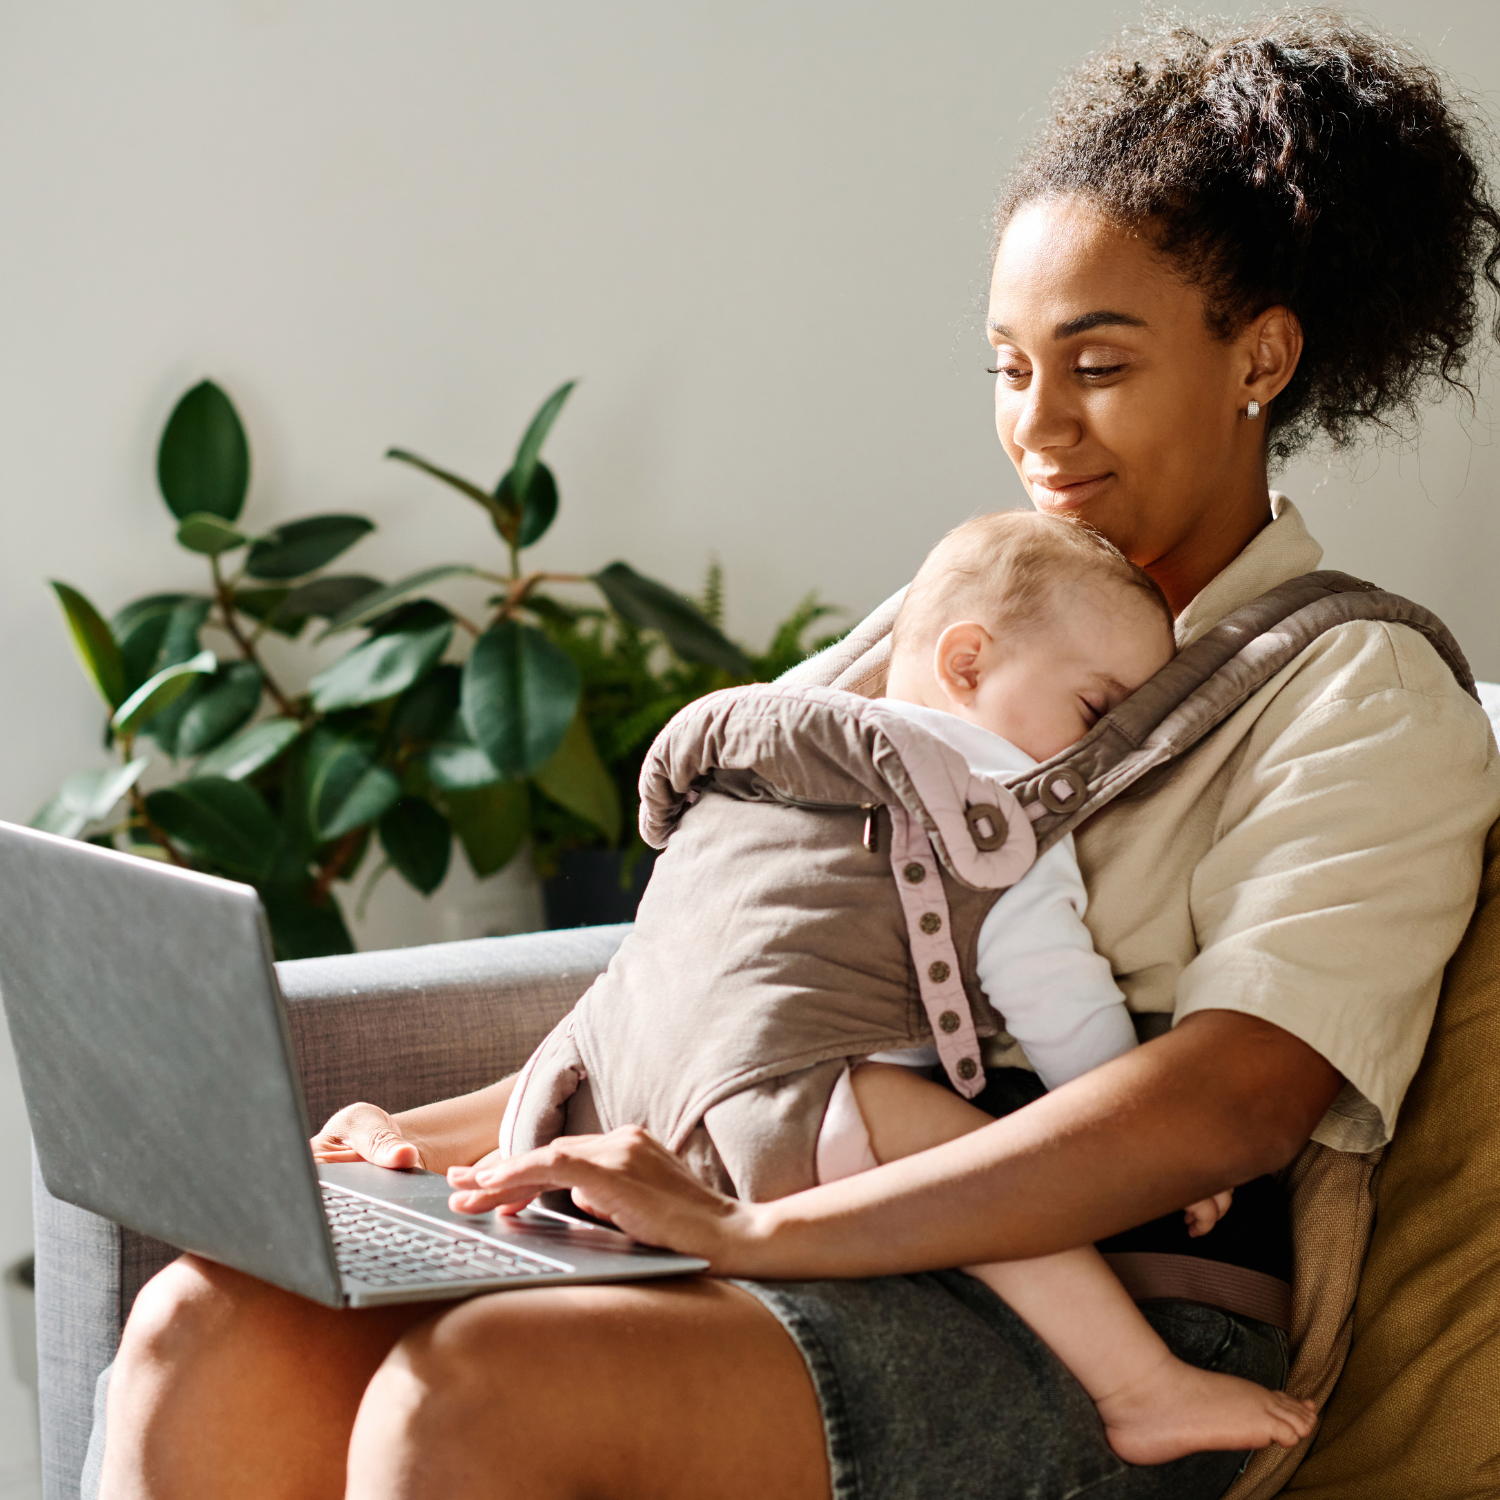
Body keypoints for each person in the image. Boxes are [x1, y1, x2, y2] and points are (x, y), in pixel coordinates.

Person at [100, 14, 1500, 1500]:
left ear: (1261, 356)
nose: (1038, 425)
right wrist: (432, 1142)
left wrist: (766, 1239)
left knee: (479, 1396)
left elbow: (1228, 1104)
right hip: (789, 1186)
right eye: (1009, 367)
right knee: (208, 1322)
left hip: (1111, 1308)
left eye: (1097, 364)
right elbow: (734, 980)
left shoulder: (1359, 690)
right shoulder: (938, 628)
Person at [500, 504, 1317, 1464]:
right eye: (1095, 711)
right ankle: (1141, 1386)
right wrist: (1158, 1147)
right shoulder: (981, 796)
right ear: (968, 664)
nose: (1098, 761)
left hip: (603, 1101)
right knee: (995, 1182)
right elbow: (1053, 989)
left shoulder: (759, 758)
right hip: (789, 1106)